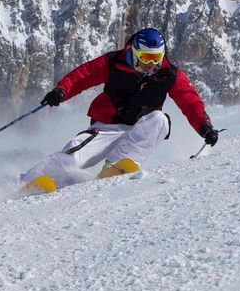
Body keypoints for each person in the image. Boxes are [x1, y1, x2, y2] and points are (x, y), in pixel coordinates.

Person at [21, 27, 218, 193]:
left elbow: (190, 102)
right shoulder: (115, 62)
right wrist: (61, 91)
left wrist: (205, 128)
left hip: (138, 130)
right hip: (106, 128)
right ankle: (31, 182)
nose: (151, 65)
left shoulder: (169, 74)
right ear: (135, 52)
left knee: (160, 120)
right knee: (74, 153)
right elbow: (83, 75)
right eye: (147, 58)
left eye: (156, 59)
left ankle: (116, 165)